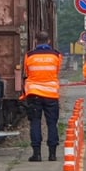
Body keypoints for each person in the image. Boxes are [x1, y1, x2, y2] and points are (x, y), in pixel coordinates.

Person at [23, 30, 63, 162]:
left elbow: (27, 72)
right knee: (52, 123)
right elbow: (57, 72)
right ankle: (52, 154)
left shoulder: (29, 56)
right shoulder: (56, 55)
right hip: (51, 94)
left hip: (34, 93)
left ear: (35, 41)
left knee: (35, 122)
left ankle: (37, 154)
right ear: (49, 41)